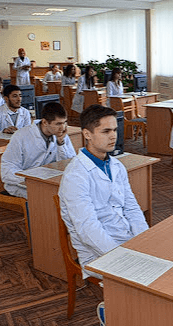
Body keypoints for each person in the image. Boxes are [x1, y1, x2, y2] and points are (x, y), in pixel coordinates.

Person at [58, 104, 149, 279]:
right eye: (106, 131)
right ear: (87, 134)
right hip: (98, 252)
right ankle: (110, 305)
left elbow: (132, 208)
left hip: (127, 239)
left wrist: (144, 241)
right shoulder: (75, 175)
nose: (113, 136)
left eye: (115, 130)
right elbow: (87, 229)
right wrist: (121, 256)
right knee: (147, 277)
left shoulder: (116, 166)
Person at [1, 102, 76, 198]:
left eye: (65, 122)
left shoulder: (60, 134)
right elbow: (7, 170)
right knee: (53, 198)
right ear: (45, 122)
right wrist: (31, 179)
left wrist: (60, 143)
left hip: (47, 180)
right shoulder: (21, 136)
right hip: (23, 184)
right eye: (58, 124)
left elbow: (69, 163)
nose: (63, 127)